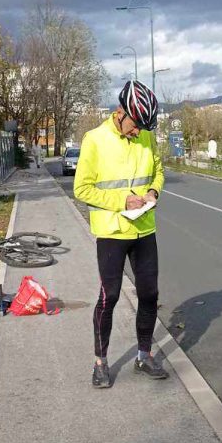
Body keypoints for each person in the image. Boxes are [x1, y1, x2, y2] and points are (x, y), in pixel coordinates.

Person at [74, 81, 168, 388]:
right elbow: (81, 189)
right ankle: (100, 363)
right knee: (109, 296)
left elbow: (157, 170)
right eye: (134, 126)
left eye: (143, 128)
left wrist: (154, 190)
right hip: (112, 231)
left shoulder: (146, 136)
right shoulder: (95, 140)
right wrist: (120, 201)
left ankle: (144, 355)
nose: (138, 133)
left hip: (143, 228)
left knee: (150, 294)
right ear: (120, 113)